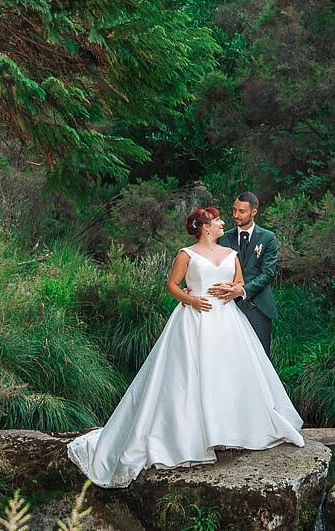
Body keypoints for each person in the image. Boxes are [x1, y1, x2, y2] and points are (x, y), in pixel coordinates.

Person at [67, 207, 304, 488]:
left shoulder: (231, 254)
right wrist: (189, 300)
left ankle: (230, 430)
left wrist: (232, 289)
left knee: (229, 374)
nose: (223, 223)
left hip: (227, 321)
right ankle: (194, 435)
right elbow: (172, 285)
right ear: (205, 227)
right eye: (217, 220)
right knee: (191, 376)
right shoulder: (186, 254)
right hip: (196, 320)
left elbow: (240, 282)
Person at [209, 192, 278, 356]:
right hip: (226, 307)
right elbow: (207, 264)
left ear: (254, 212)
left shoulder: (268, 238)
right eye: (234, 210)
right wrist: (188, 287)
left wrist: (242, 290)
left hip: (258, 307)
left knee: (260, 357)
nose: (236, 215)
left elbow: (268, 273)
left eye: (241, 211)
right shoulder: (223, 238)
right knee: (230, 356)